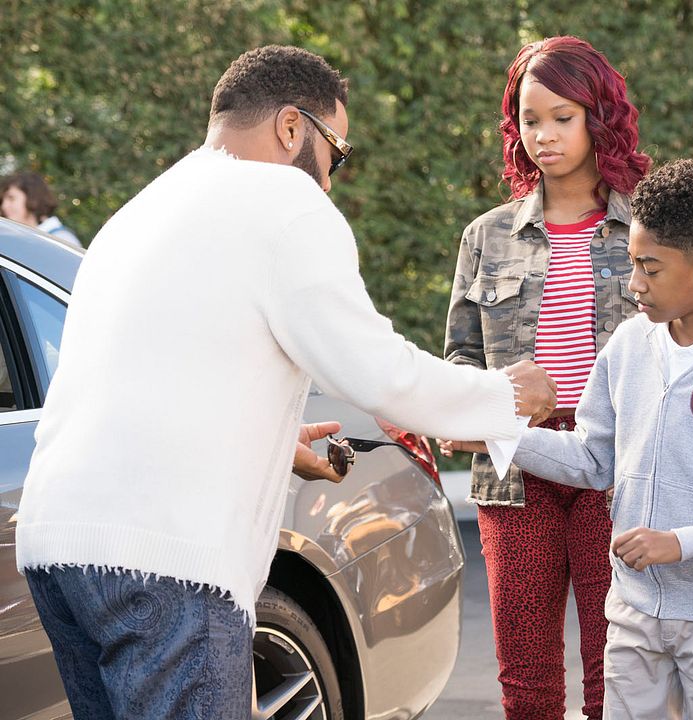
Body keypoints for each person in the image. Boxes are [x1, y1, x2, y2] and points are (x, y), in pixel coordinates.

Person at [15, 45, 556, 720]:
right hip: (166, 559)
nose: (330, 181)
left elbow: (138, 377)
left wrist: (268, 438)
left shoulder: (140, 212)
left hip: (57, 546)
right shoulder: (282, 200)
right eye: (338, 152)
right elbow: (375, 370)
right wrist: (504, 397)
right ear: (293, 128)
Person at [449, 158, 693, 718]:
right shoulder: (627, 346)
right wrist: (502, 435)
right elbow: (595, 458)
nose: (634, 284)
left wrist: (680, 542)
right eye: (632, 263)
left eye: (651, 268)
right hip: (634, 610)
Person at [441, 35, 651, 720]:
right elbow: (460, 356)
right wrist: (468, 408)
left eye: (562, 117)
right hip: (513, 468)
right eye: (530, 119)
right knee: (525, 679)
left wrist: (560, 393)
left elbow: (677, 356)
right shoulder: (487, 235)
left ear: (598, 116)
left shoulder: (648, 229)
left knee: (614, 670)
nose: (544, 135)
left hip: (614, 470)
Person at [1, 171, 82, 248]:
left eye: (11, 198)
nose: (4, 206)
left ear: (32, 198)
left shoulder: (62, 240)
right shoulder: (18, 238)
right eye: (2, 201)